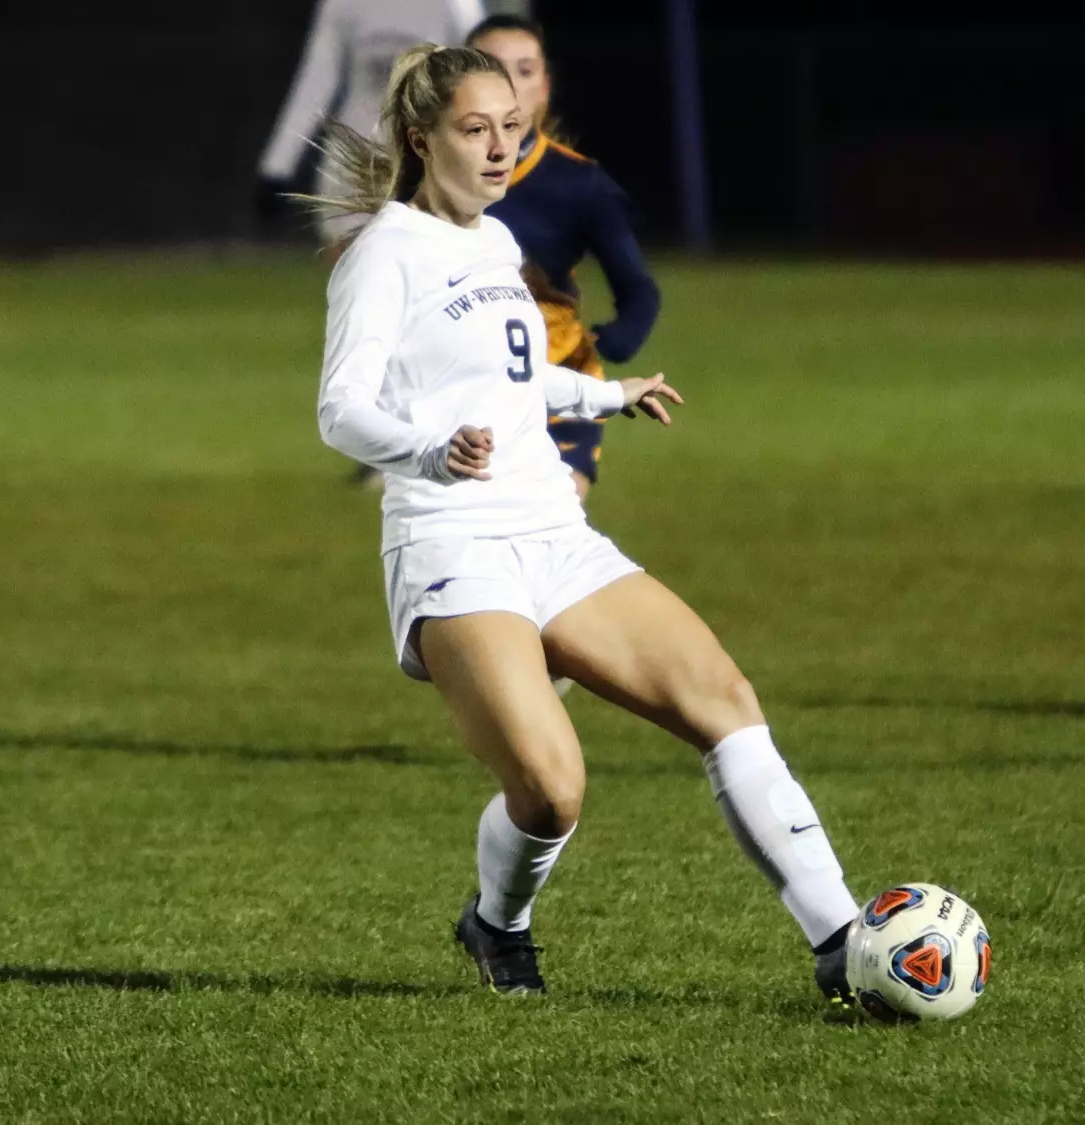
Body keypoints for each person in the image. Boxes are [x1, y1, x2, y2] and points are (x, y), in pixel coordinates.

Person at [303, 44, 861, 1006]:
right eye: (475, 131)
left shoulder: (492, 243)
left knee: (724, 698)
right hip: (452, 543)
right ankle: (498, 923)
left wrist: (606, 393)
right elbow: (339, 410)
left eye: (511, 130)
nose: (497, 150)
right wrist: (430, 452)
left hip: (552, 529)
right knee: (554, 787)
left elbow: (515, 378)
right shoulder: (384, 254)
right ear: (419, 136)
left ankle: (845, 943)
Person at [468, 15, 661, 500]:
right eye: (493, 69)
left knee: (557, 520)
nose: (511, 84)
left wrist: (616, 340)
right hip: (464, 388)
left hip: (561, 382)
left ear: (545, 87)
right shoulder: (425, 178)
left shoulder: (579, 184)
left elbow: (638, 290)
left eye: (526, 70)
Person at [255, 0, 487, 245]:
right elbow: (317, 79)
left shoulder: (457, 5)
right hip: (352, 162)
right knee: (351, 274)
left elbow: (483, 81)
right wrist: (277, 168)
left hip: (423, 163)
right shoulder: (342, 4)